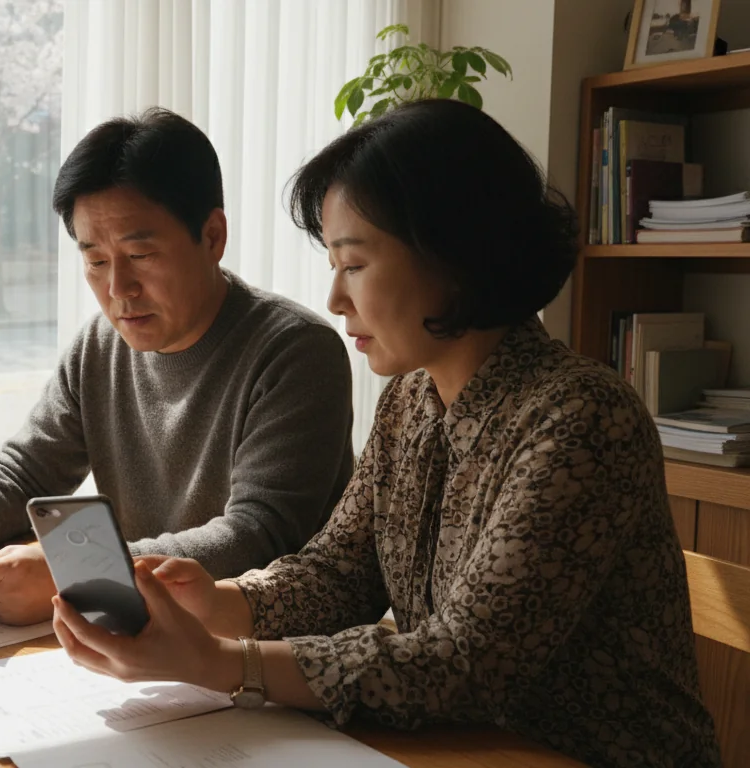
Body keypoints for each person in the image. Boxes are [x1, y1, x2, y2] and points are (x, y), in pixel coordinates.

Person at [48, 99, 721, 768]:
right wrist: (220, 603)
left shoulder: (582, 418)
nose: (336, 299)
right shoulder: (411, 399)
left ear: (453, 253)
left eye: (356, 264)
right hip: (457, 748)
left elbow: (465, 663)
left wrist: (226, 662)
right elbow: (342, 573)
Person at [0, 108, 356, 626]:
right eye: (95, 261)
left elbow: (257, 536)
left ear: (212, 237)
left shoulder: (295, 352)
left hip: (259, 656)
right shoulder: (101, 345)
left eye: (140, 255)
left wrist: (78, 573)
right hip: (140, 637)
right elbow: (27, 468)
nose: (118, 289)